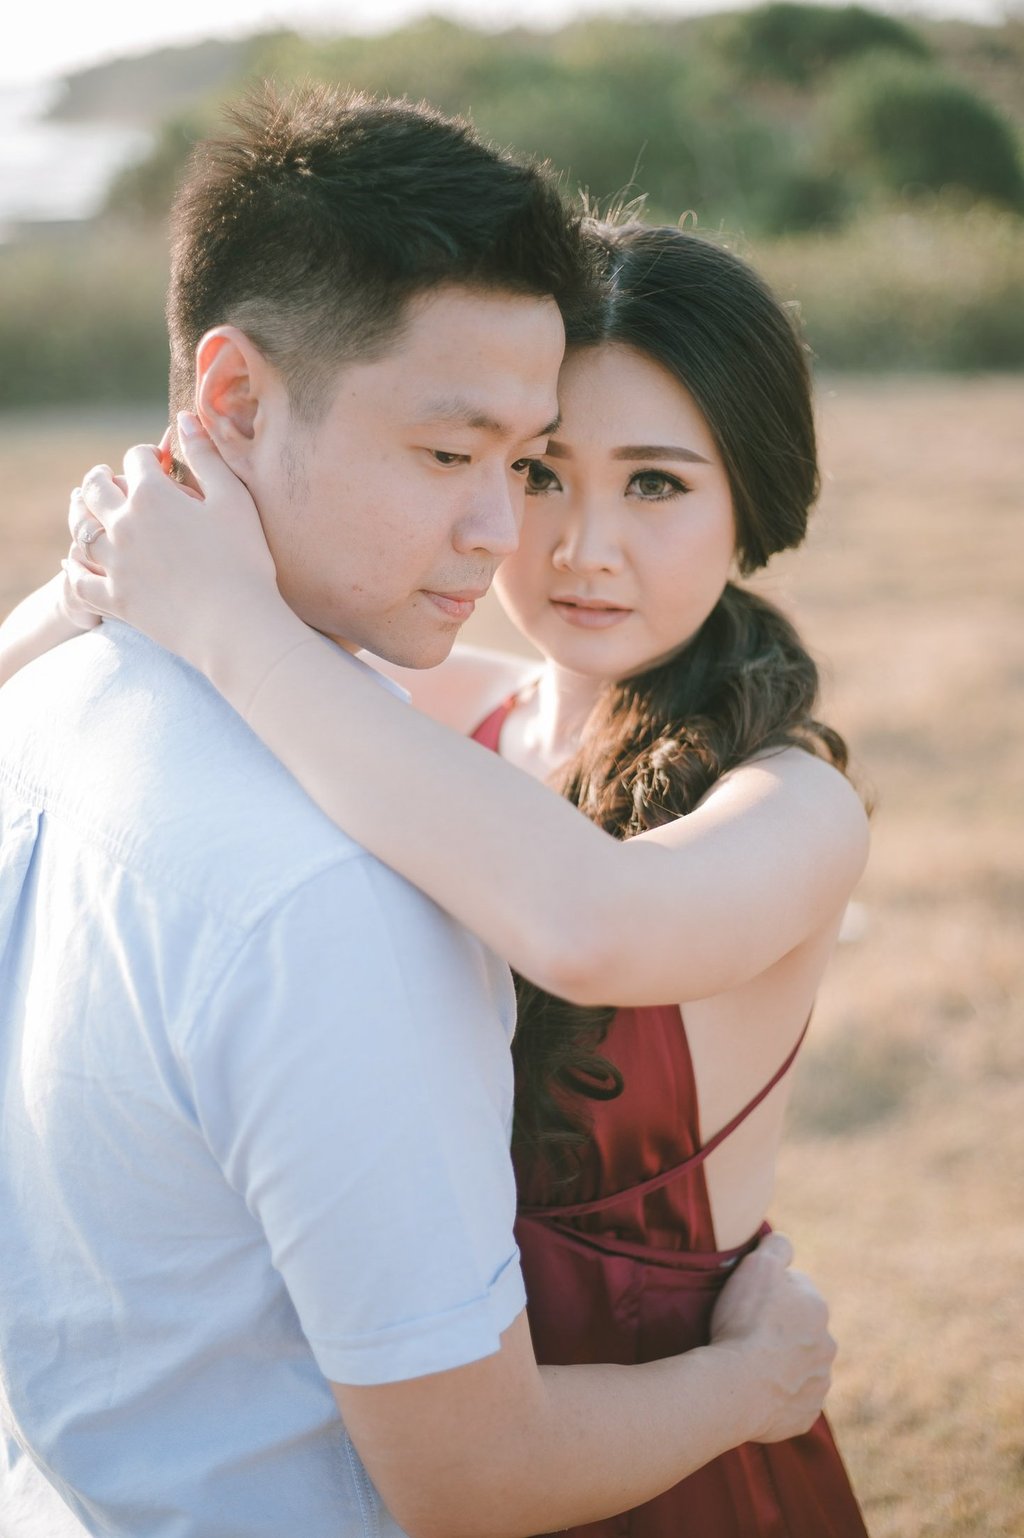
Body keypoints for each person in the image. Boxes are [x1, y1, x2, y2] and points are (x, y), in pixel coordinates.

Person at [0, 91, 837, 1538]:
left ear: (749, 498)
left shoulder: (797, 801)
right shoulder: (443, 723)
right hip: (449, 1401)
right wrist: (109, 572)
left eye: (655, 484)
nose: (564, 543)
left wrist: (223, 616)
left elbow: (592, 920)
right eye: (529, 468)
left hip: (667, 1442)